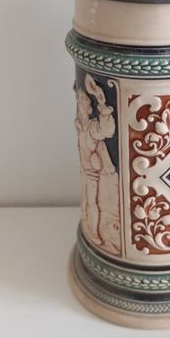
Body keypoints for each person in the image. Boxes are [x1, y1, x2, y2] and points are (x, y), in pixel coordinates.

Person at [75, 74, 121, 255]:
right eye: (81, 103)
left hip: (94, 173)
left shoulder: (92, 127)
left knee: (93, 202)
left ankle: (95, 234)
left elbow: (107, 130)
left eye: (85, 103)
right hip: (86, 170)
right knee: (89, 203)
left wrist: (103, 108)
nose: (83, 107)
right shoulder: (80, 125)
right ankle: (92, 231)